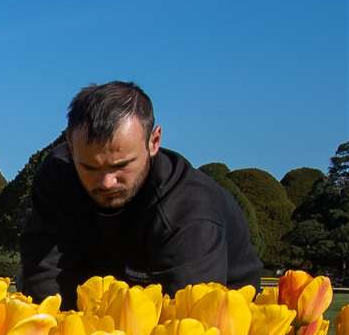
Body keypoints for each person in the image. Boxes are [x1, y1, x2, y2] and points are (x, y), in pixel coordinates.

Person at [19, 81, 262, 307]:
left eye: (121, 165)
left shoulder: (189, 211)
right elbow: (43, 274)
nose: (106, 182)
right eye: (90, 167)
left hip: (216, 307)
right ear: (71, 148)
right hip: (104, 290)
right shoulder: (58, 174)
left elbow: (190, 318)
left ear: (154, 141)